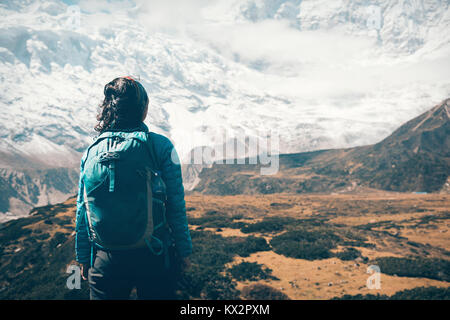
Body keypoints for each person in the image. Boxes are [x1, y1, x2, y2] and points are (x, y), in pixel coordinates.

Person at [75, 76, 192, 300]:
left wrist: (83, 256)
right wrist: (184, 250)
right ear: (143, 109)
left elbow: (82, 210)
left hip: (105, 257)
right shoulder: (160, 146)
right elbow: (175, 204)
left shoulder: (91, 151)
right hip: (153, 255)